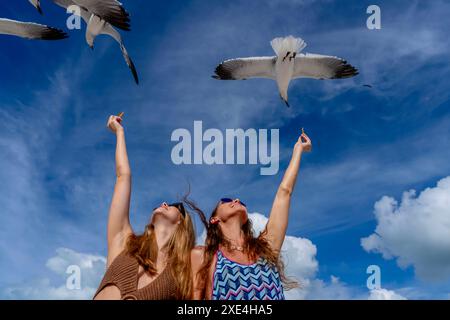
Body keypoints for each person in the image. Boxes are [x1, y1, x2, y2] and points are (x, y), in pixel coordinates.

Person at [191, 129, 312, 300]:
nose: (236, 200)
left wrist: (298, 150)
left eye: (240, 201)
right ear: (214, 219)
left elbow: (284, 192)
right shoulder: (203, 256)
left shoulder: (266, 248)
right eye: (226, 200)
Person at [93, 114, 199, 300]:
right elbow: (123, 176)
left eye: (176, 206)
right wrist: (119, 133)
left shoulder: (182, 273)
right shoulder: (125, 242)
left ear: (182, 221)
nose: (164, 203)